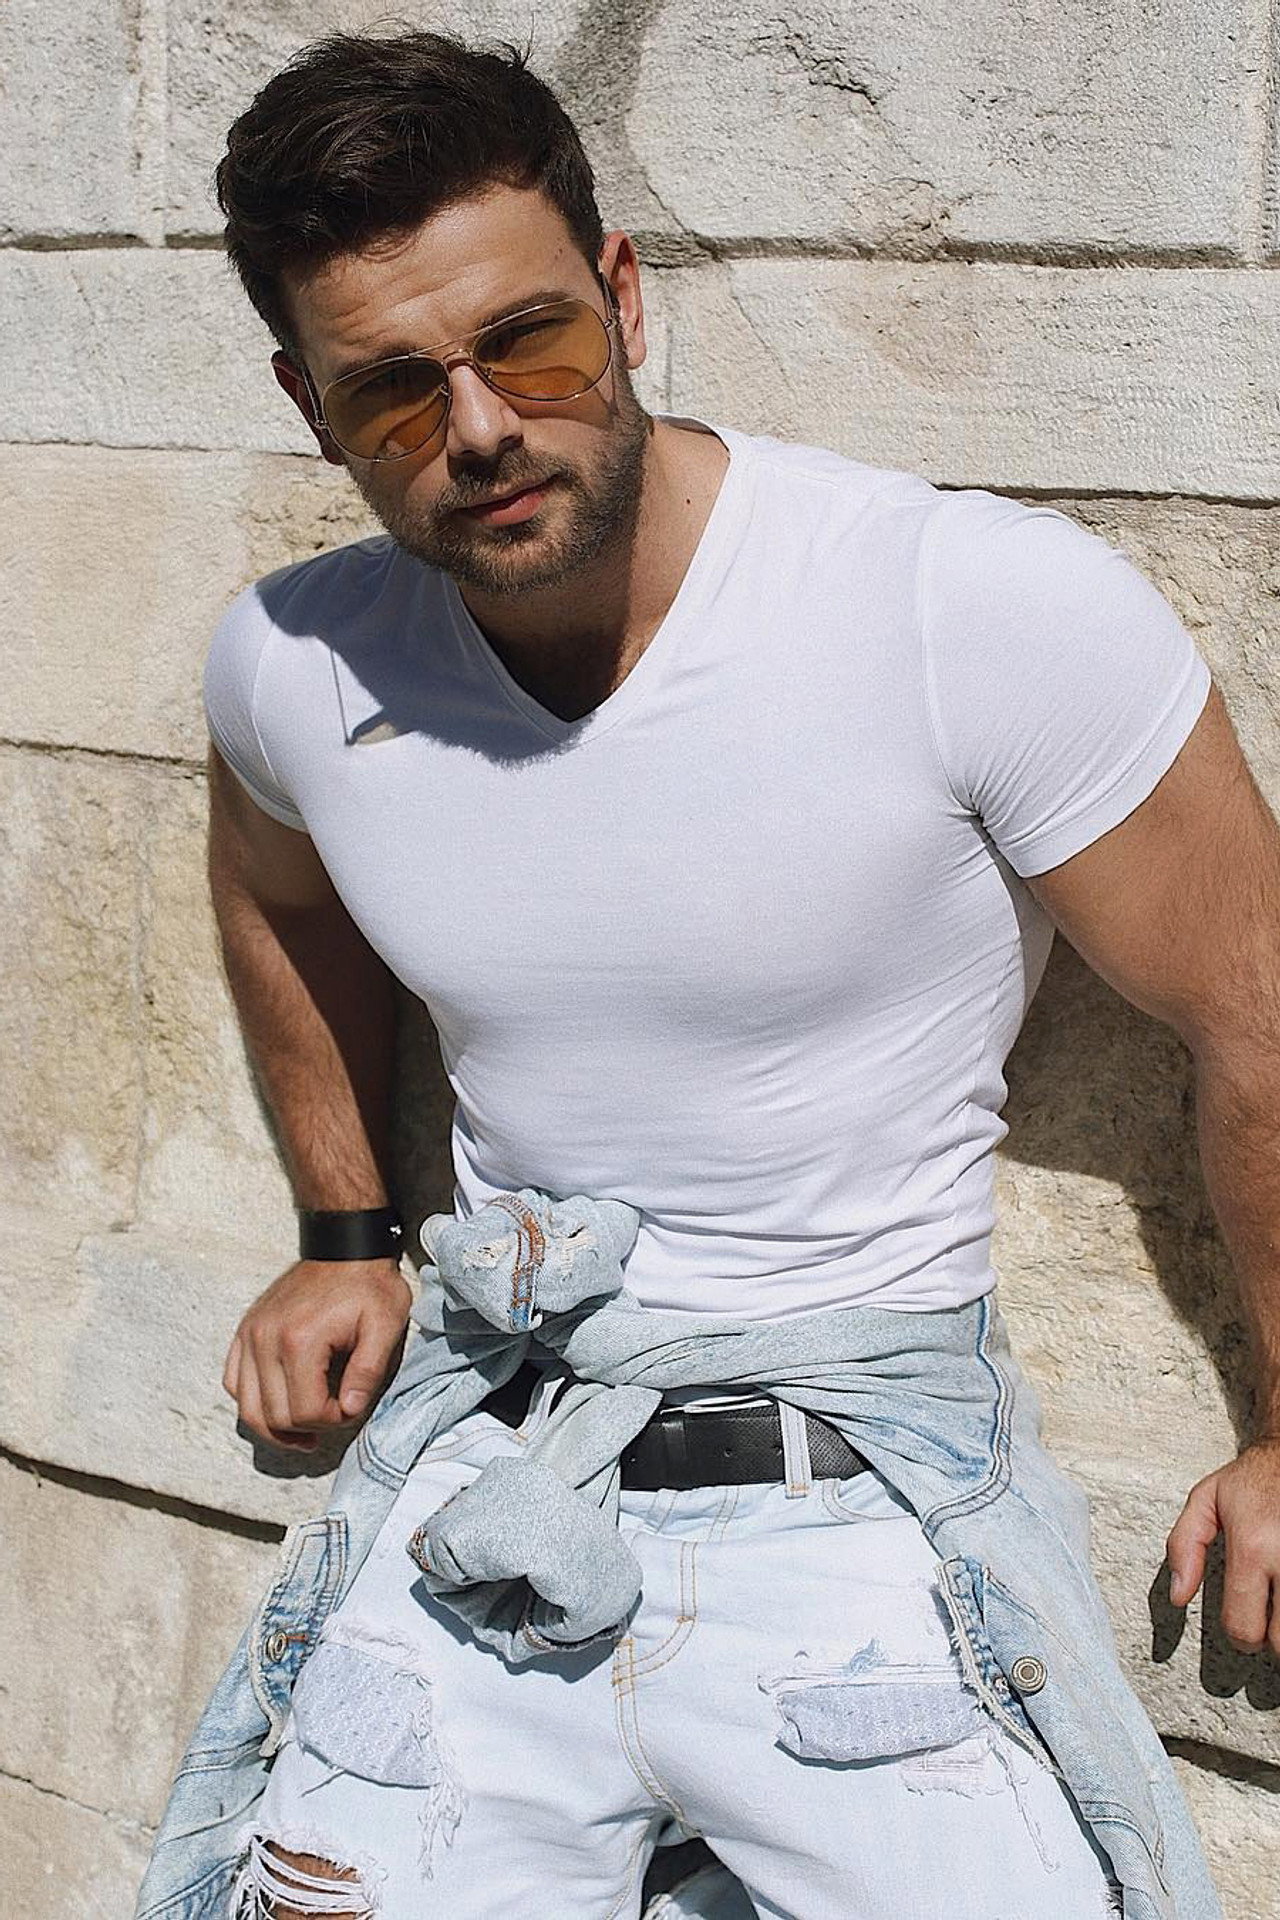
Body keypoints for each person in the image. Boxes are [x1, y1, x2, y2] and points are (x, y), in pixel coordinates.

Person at [134, 28, 1280, 1920]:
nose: (481, 430)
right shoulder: (296, 662)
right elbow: (275, 888)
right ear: (306, 406)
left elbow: (1254, 999)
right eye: (394, 394)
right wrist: (344, 1230)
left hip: (859, 1518)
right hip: (490, 1481)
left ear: (625, 295)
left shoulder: (958, 605)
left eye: (529, 345)